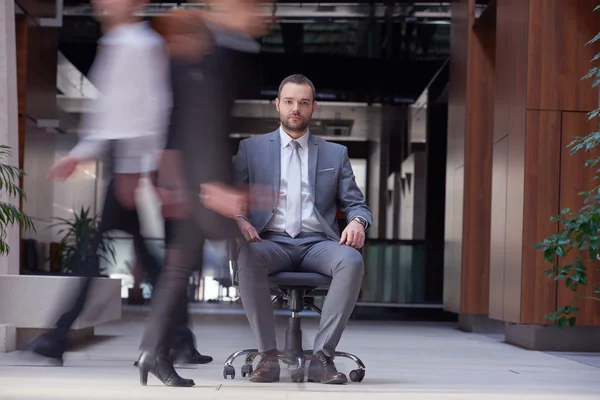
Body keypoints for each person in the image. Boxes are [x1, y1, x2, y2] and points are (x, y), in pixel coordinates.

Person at [26, 0, 175, 366]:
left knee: (96, 256)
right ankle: (177, 335)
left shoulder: (138, 45)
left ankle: (58, 336)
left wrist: (134, 170)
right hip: (118, 157)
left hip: (123, 160)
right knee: (135, 258)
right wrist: (80, 153)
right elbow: (108, 114)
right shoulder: (119, 41)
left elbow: (150, 111)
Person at [135, 4, 268, 387]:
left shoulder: (206, 55)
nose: (263, 16)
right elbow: (201, 126)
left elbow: (180, 125)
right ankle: (274, 352)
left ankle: (152, 352)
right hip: (203, 183)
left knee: (178, 269)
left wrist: (175, 178)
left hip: (191, 181)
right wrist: (212, 188)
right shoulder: (210, 55)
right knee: (254, 250)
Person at [233, 74, 373, 385]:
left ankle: (322, 358)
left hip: (317, 243)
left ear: (313, 108)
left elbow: (357, 205)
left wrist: (357, 221)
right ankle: (267, 356)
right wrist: (239, 219)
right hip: (269, 241)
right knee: (249, 255)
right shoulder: (250, 149)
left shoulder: (335, 154)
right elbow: (233, 199)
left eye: (304, 103)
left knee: (351, 260)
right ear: (277, 105)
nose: (296, 108)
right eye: (290, 102)